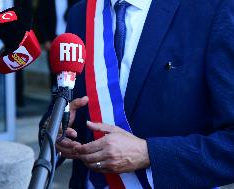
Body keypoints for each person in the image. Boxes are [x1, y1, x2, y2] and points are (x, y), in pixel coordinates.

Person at [40, 0, 234, 188]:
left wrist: (149, 154)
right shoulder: (80, 14)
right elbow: (61, 106)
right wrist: (55, 130)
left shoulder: (212, 9)